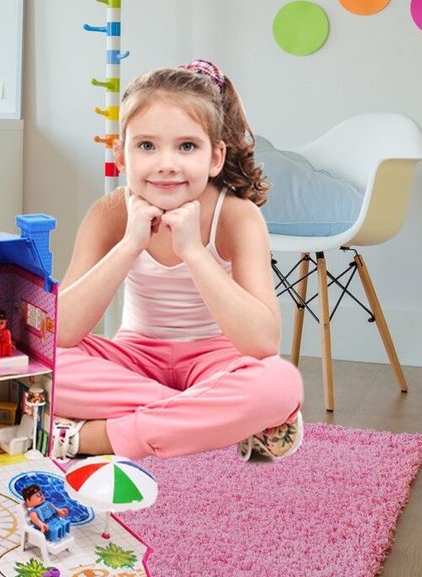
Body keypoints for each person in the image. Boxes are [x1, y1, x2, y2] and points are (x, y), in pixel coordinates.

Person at [52, 59, 303, 463]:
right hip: (133, 360)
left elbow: (261, 342)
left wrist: (193, 251)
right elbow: (57, 332)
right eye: (146, 146)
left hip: (216, 361)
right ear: (121, 155)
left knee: (279, 383)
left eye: (187, 146)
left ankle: (96, 437)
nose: (166, 164)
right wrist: (129, 245)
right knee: (35, 358)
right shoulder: (109, 213)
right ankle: (207, 416)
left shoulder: (237, 216)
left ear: (215, 157)